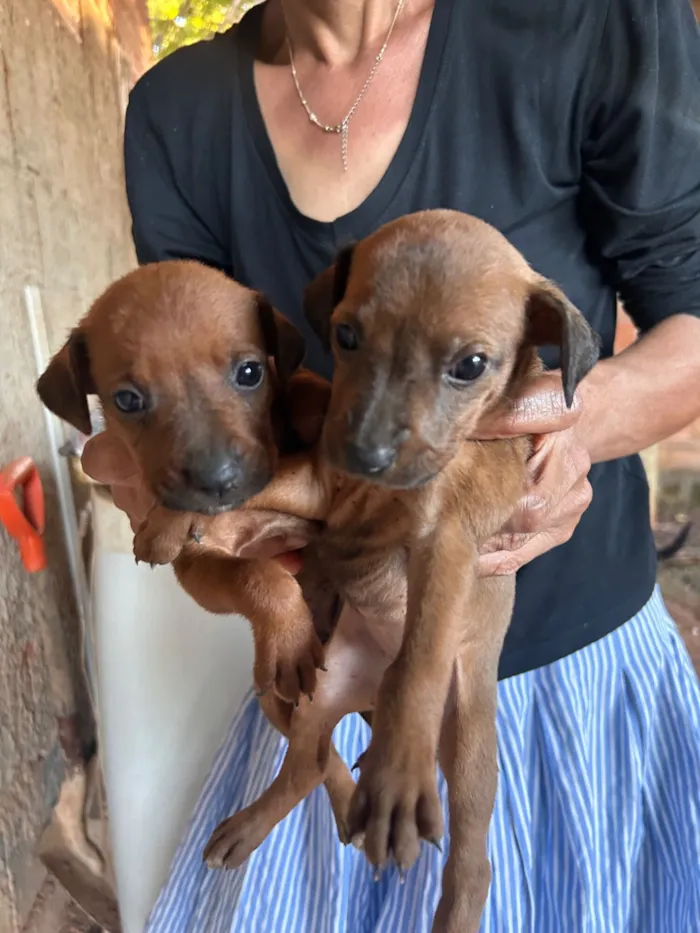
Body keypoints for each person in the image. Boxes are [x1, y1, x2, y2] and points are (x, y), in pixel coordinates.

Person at [83, 0, 700, 929]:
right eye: (347, 341)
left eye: (464, 366)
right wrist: (157, 473)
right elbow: (185, 381)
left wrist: (575, 424)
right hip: (325, 608)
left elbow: (687, 307)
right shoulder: (182, 109)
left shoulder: (585, 20)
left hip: (574, 658)